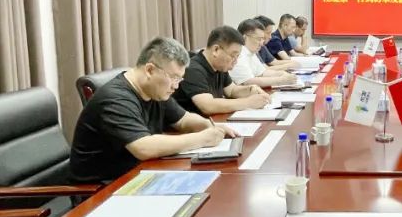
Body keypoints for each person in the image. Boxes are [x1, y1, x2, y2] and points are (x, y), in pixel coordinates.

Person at [69, 37, 237, 184]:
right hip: (104, 188)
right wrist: (203, 138)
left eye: (180, 79)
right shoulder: (115, 98)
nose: (176, 86)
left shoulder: (154, 91)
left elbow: (183, 120)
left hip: (139, 174)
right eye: (173, 78)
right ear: (150, 70)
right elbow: (144, 148)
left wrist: (209, 126)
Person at [172, 26, 271, 115]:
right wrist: (248, 102)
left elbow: (231, 91)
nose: (235, 61)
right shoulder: (193, 69)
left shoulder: (219, 67)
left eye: (237, 56)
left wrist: (250, 89)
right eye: (233, 56)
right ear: (216, 50)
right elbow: (208, 106)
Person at [231, 19, 300, 87]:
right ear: (244, 38)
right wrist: (281, 80)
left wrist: (282, 73)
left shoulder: (251, 52)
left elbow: (263, 72)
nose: (261, 43)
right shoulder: (238, 54)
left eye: (262, 39)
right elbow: (248, 82)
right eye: (258, 39)